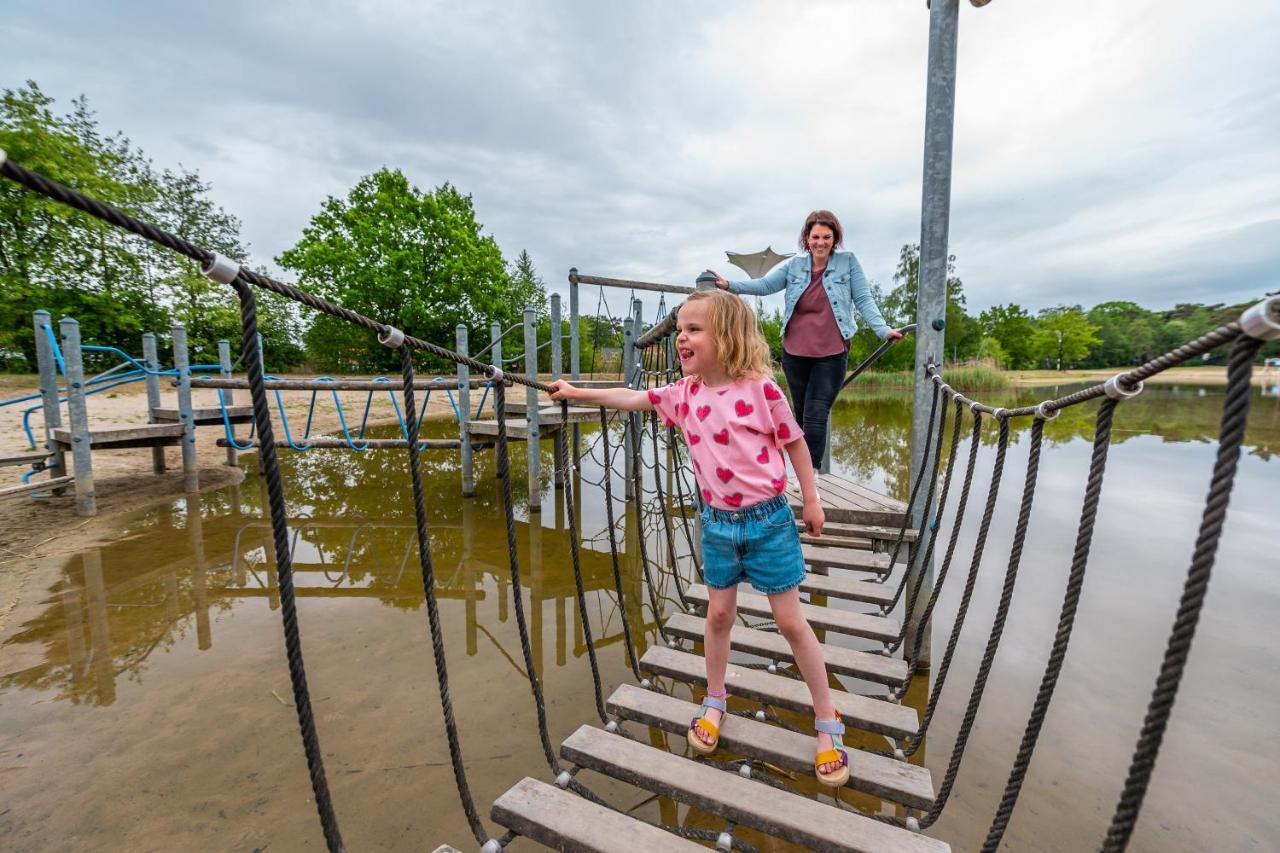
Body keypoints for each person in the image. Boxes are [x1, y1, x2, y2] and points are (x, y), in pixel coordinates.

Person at [548, 288, 851, 787]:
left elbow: (795, 443)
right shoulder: (684, 394)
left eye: (693, 330)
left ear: (727, 337)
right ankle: (715, 700)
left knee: (791, 624)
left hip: (770, 522)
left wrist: (812, 499)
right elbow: (630, 397)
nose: (681, 339)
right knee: (718, 615)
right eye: (680, 330)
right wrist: (576, 392)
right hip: (716, 523)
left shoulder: (760, 390)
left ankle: (827, 719)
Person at [708, 210, 904, 470]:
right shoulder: (794, 266)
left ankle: (810, 478)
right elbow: (766, 286)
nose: (820, 242)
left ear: (835, 239)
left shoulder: (848, 262)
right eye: (815, 237)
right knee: (799, 416)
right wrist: (730, 285)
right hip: (796, 352)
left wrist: (883, 330)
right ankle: (797, 472)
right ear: (806, 238)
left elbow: (864, 299)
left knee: (816, 414)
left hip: (832, 352)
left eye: (826, 237)